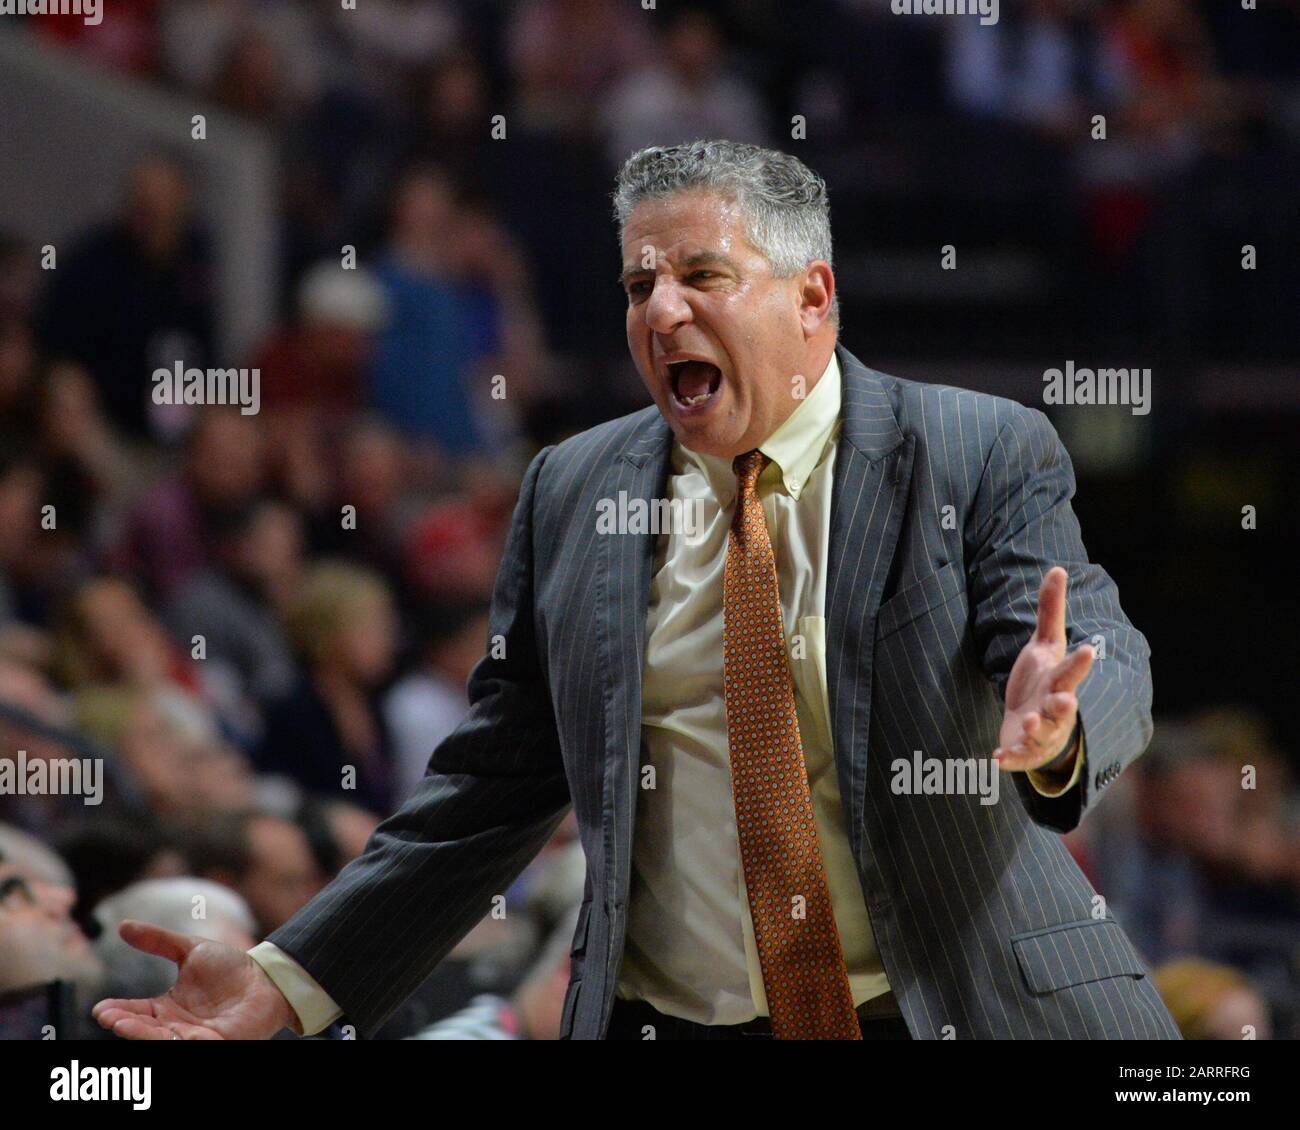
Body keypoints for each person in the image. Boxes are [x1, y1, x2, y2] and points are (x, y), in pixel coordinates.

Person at [94, 140, 1177, 1041]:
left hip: (948, 1007)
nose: (660, 313)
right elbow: (492, 784)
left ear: (813, 295)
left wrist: (1062, 719)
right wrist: (290, 979)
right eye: (636, 285)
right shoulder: (571, 488)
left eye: (701, 276)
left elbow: (1086, 631)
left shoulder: (974, 449)